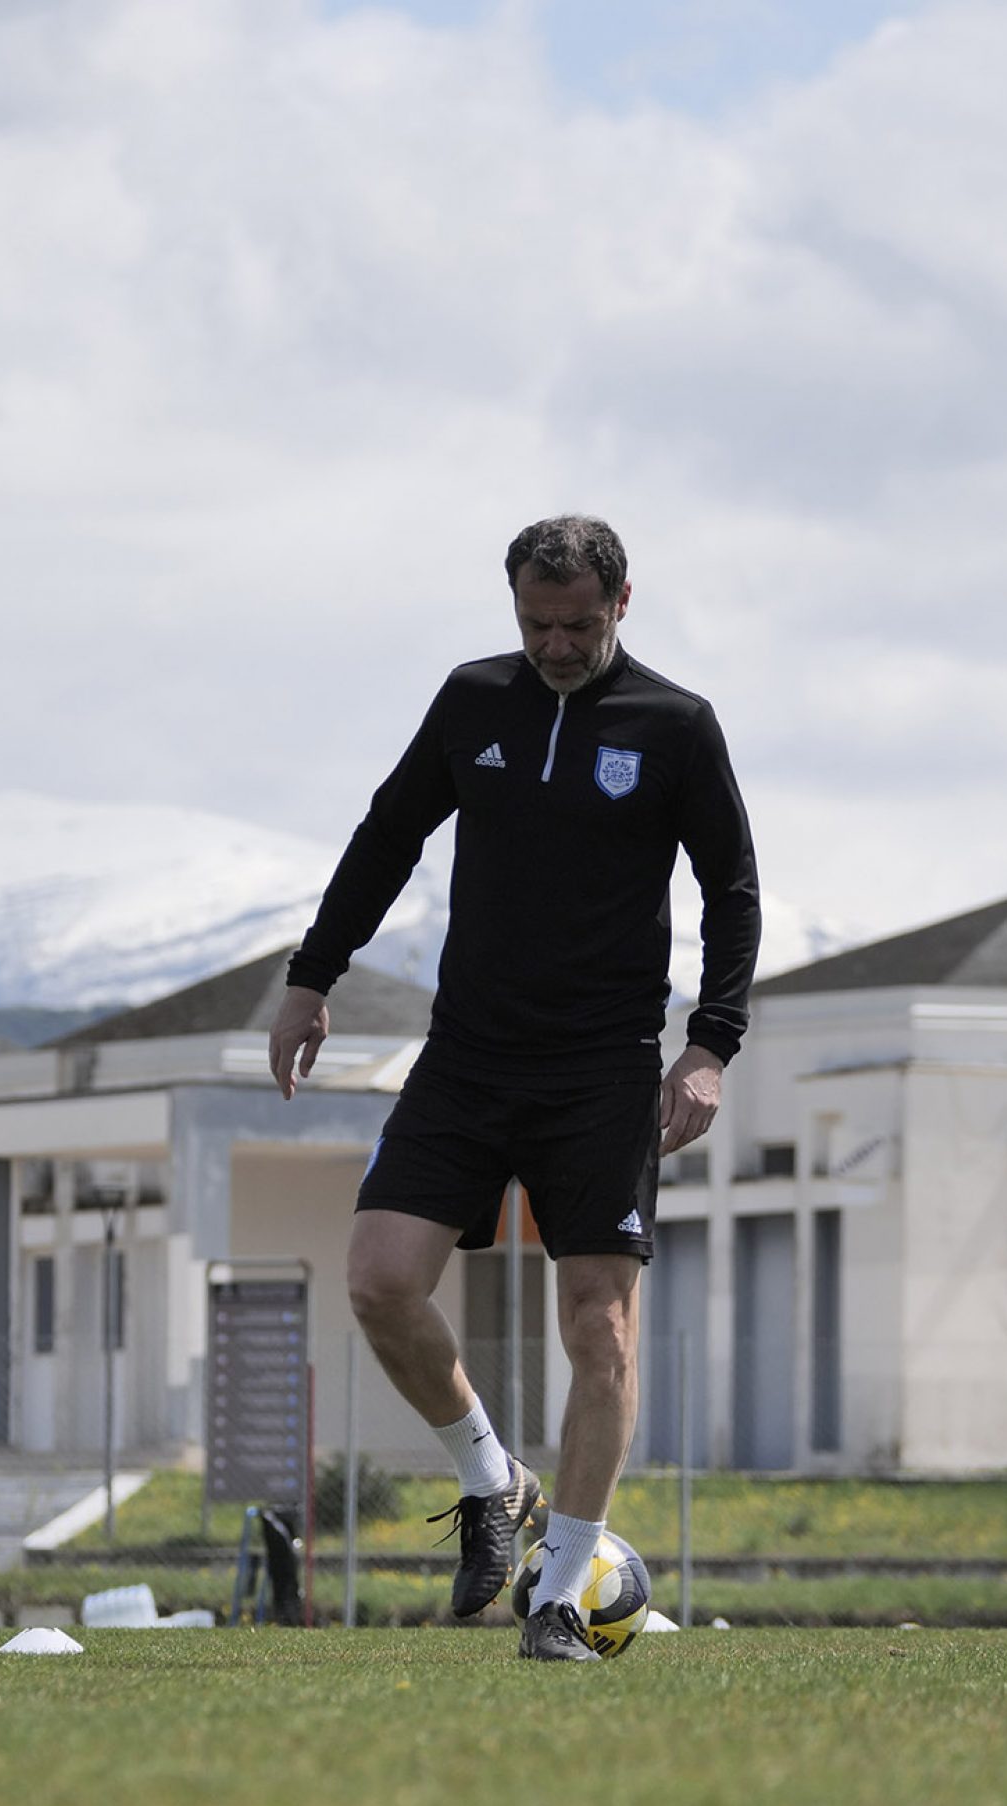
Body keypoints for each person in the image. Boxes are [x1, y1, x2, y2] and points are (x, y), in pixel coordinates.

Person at [269, 515, 760, 1660]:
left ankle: (558, 1601)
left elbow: (732, 890)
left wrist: (709, 1047)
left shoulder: (676, 726)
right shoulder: (472, 699)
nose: (554, 646)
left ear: (622, 602)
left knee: (600, 1329)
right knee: (380, 1279)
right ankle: (492, 1480)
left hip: (601, 1071)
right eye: (536, 624)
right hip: (468, 1056)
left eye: (576, 625)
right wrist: (311, 977)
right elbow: (387, 836)